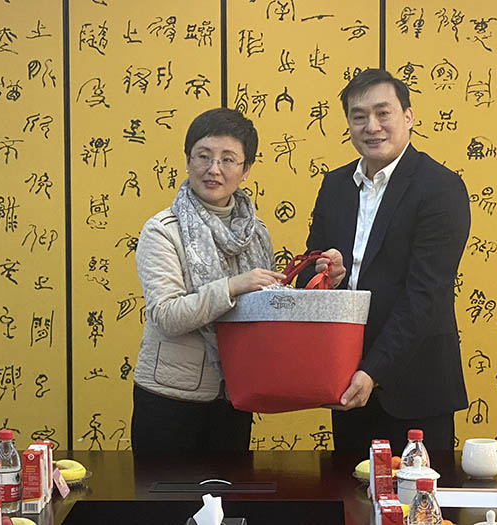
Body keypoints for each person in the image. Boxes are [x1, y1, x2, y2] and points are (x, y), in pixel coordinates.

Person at [298, 69, 471, 454]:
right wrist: (325, 274)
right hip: (344, 381)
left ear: (408, 117)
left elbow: (425, 295)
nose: (371, 126)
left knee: (416, 493)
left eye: (383, 113)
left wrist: (372, 370)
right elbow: (308, 272)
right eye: (359, 116)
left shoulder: (440, 187)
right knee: (349, 489)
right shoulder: (335, 185)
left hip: (414, 388)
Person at [131, 108, 285, 454]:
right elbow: (167, 315)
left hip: (235, 396)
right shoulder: (162, 231)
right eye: (204, 156)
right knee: (164, 492)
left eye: (228, 159)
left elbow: (265, 311)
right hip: (170, 400)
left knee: (232, 490)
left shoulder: (256, 234)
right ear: (188, 160)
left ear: (245, 170)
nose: (214, 169)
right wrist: (232, 286)